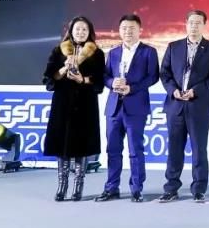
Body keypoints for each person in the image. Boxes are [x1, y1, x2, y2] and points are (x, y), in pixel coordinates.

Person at [158, 10, 209, 203]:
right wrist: (173, 91)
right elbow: (165, 73)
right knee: (174, 149)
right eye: (191, 22)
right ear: (186, 24)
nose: (194, 26)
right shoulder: (174, 46)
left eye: (198, 23)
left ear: (204, 25)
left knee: (199, 149)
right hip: (176, 105)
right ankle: (171, 188)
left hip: (199, 106)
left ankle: (199, 189)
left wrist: (196, 91)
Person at [97, 14, 160, 202]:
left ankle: (136, 189)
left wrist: (132, 88)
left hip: (136, 107)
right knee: (112, 150)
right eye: (124, 28)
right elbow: (105, 76)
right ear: (119, 30)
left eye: (132, 28)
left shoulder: (149, 52)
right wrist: (112, 83)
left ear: (140, 30)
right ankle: (111, 188)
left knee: (135, 150)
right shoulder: (113, 52)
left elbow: (153, 77)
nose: (128, 31)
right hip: (114, 108)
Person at [43, 15, 104, 202]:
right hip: (62, 104)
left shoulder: (97, 53)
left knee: (81, 146)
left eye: (84, 29)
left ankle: (78, 187)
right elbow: (48, 78)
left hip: (85, 104)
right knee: (62, 145)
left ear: (89, 32)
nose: (81, 32)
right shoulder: (58, 50)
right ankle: (62, 186)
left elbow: (100, 81)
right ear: (71, 31)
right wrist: (63, 69)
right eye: (77, 29)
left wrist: (82, 79)